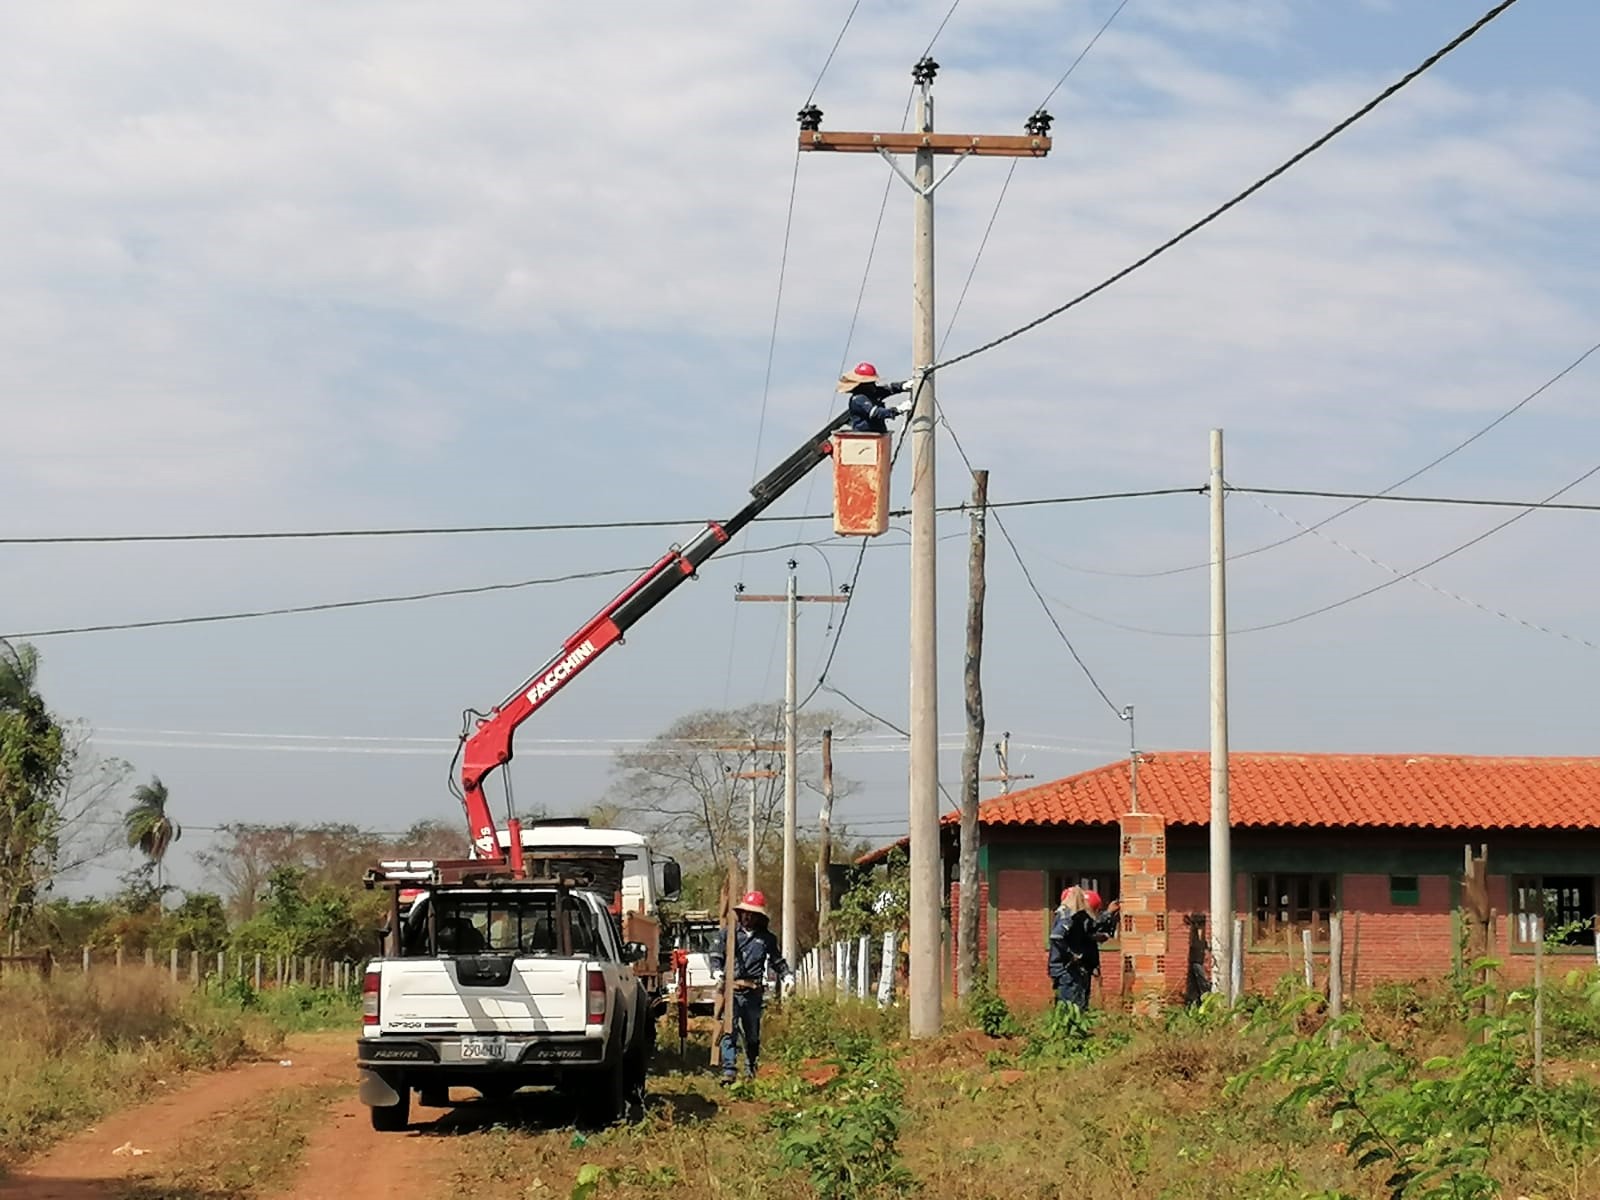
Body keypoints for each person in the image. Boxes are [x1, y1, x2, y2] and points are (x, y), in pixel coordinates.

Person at [710, 890, 791, 1083]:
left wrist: (787, 976)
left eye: (752, 914)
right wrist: (717, 972)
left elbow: (777, 960)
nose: (748, 916)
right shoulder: (728, 935)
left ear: (758, 917)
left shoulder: (767, 939)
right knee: (729, 1029)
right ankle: (729, 1069)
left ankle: (751, 1068)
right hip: (732, 990)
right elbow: (715, 955)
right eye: (745, 912)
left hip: (753, 992)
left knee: (752, 1033)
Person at [1047, 886, 1120, 1009]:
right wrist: (1072, 955)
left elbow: (1089, 929)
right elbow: (1057, 936)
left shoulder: (1077, 919)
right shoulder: (1068, 917)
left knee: (1078, 1006)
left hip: (1075, 970)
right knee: (1071, 1009)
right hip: (1067, 971)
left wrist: (1108, 915)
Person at [838, 361, 917, 433]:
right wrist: (897, 410)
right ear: (862, 384)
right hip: (865, 436)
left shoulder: (870, 393)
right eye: (870, 383)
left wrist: (902, 386)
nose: (873, 385)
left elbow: (888, 389)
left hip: (876, 434)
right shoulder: (859, 399)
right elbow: (875, 413)